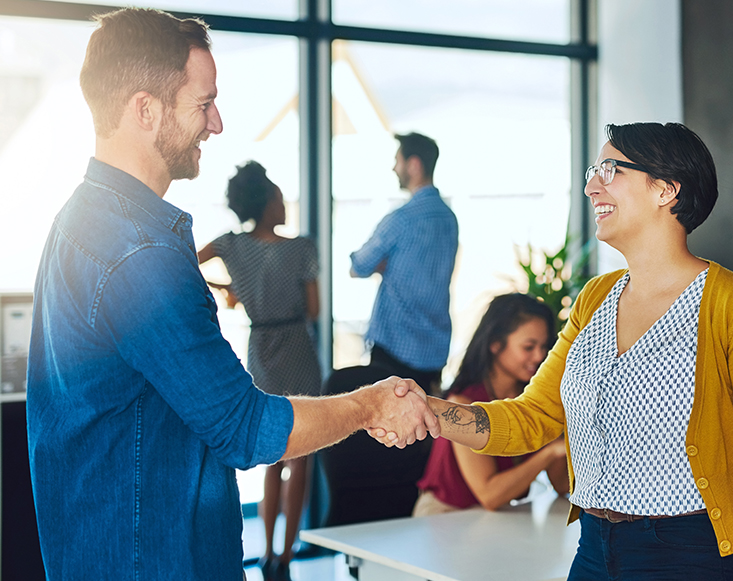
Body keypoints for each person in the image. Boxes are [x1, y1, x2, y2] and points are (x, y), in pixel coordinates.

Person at [25, 9, 437, 581]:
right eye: (203, 103)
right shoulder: (138, 252)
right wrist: (369, 405)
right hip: (154, 561)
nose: (216, 123)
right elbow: (246, 428)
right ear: (145, 109)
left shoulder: (81, 220)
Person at [374, 122, 733, 580]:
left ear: (666, 190)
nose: (591, 186)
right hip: (595, 550)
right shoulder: (594, 299)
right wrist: (426, 410)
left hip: (693, 555)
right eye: (593, 171)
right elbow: (532, 418)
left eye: (609, 170)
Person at [197, 161, 320, 580]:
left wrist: (229, 290)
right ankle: (286, 554)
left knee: (273, 451)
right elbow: (315, 310)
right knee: (301, 455)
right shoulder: (302, 248)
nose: (284, 202)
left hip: (261, 347)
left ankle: (266, 552)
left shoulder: (232, 246)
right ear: (267, 202)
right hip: (297, 348)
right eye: (279, 195)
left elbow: (186, 262)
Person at [412, 293, 570, 516]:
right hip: (445, 517)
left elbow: (562, 486)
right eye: (528, 347)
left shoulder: (532, 399)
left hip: (499, 519)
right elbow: (490, 495)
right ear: (495, 344)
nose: (539, 356)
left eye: (544, 347)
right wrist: (549, 453)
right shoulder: (462, 403)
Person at [348, 132, 459, 394]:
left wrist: (384, 262)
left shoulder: (402, 219)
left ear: (414, 165)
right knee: (427, 428)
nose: (393, 167)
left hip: (396, 346)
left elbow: (359, 266)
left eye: (397, 160)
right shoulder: (449, 218)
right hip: (434, 348)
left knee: (389, 431)